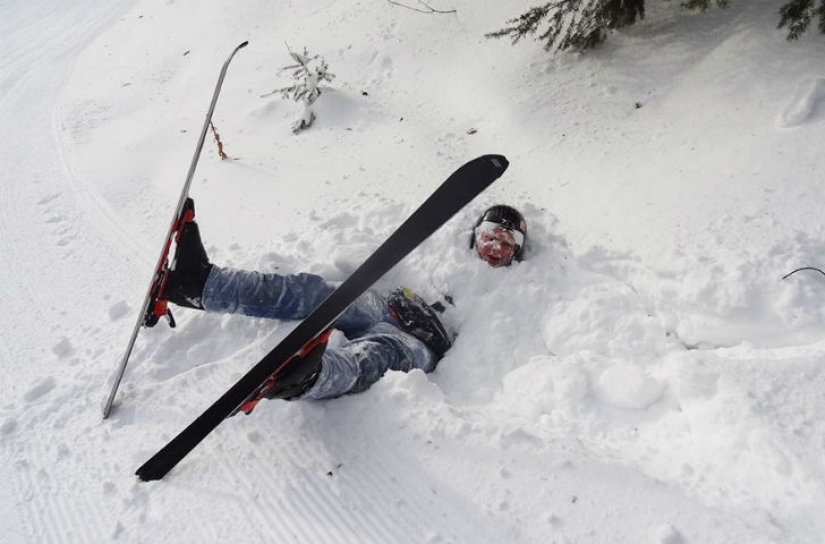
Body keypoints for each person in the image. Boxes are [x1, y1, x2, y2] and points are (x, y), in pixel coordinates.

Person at [162, 204, 528, 407]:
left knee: (375, 355)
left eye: (507, 240)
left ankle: (311, 378)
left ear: (519, 249)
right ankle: (202, 285)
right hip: (387, 305)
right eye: (489, 235)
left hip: (420, 346)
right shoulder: (443, 257)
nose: (496, 246)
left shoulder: (514, 293)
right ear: (475, 235)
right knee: (315, 293)